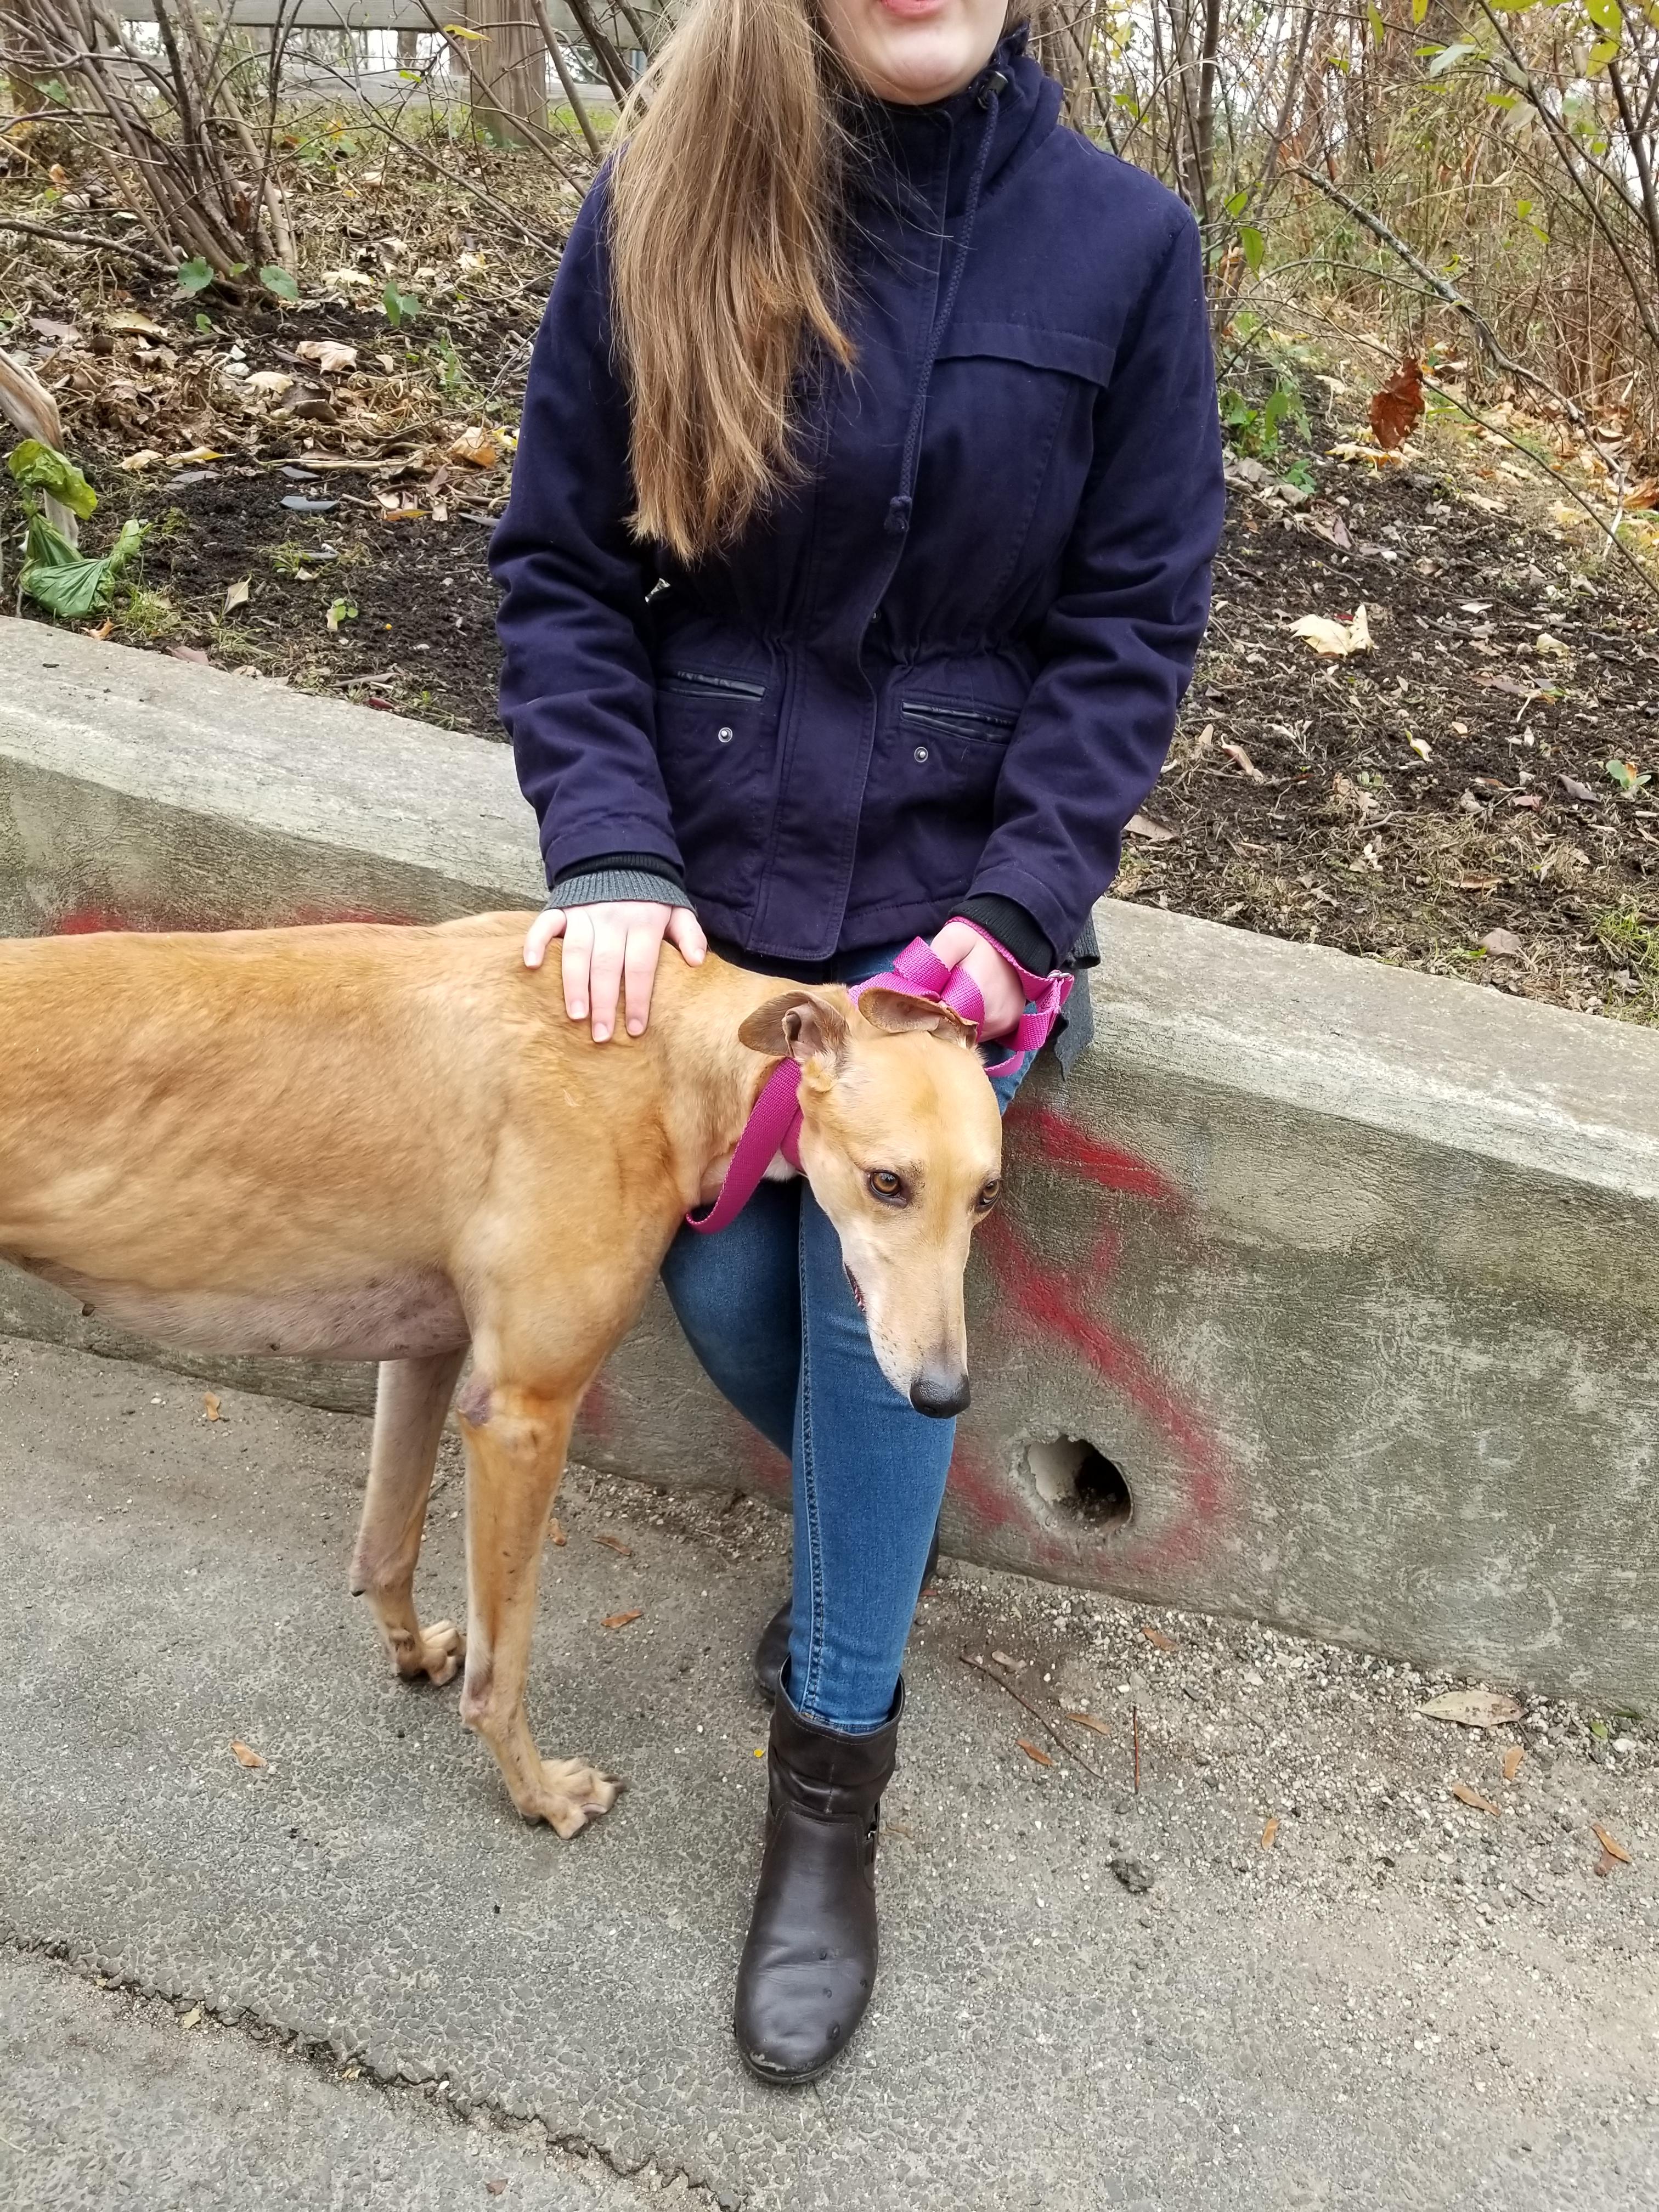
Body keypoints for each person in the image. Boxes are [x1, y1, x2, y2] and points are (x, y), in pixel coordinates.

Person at [491, 0, 1223, 2085]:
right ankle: (860, 1567)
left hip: (954, 936)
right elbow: (560, 568)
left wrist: (1012, 915)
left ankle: (831, 1783)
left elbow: (1132, 621)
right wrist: (611, 849)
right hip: (702, 938)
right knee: (727, 1283)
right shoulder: (662, 202)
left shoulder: (1123, 250)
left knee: (881, 1296)